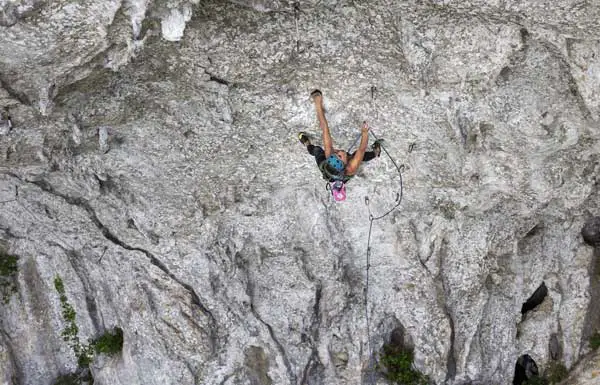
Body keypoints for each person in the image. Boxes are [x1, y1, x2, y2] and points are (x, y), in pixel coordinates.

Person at [298, 89, 382, 201]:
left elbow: (325, 129)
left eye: (335, 153)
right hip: (339, 172)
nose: (338, 151)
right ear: (345, 164)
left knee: (317, 150)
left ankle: (307, 144)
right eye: (340, 155)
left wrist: (317, 103)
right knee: (357, 155)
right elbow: (361, 150)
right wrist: (365, 132)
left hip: (328, 168)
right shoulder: (351, 168)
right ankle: (376, 152)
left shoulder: (329, 156)